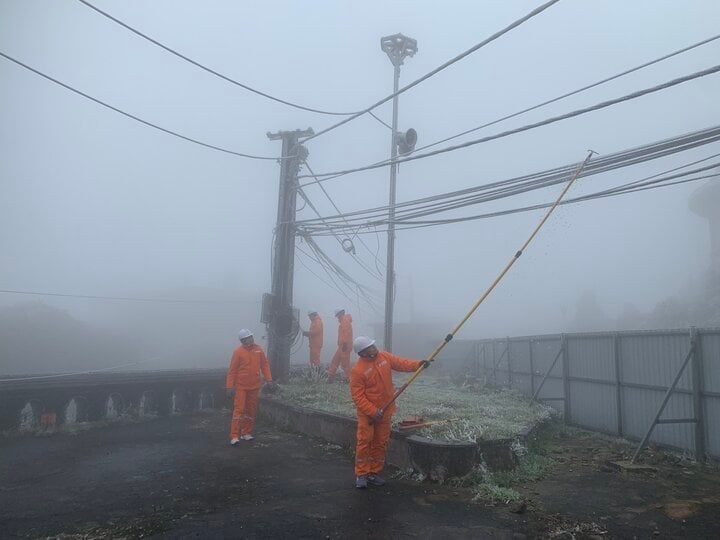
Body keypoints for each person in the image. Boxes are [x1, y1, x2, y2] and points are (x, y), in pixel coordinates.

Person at [349, 336, 430, 489]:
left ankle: (374, 473)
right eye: (370, 348)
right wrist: (373, 411)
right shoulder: (357, 371)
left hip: (386, 410)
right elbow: (358, 397)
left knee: (380, 442)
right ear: (363, 353)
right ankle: (362, 474)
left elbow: (401, 363)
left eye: (373, 345)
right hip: (368, 415)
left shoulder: (384, 357)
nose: (374, 348)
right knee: (364, 442)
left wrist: (418, 364)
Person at [225, 329, 276, 445]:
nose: (251, 339)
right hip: (241, 387)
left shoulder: (258, 349)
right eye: (248, 338)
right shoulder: (238, 352)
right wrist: (229, 387)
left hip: (254, 386)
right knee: (239, 410)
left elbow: (264, 364)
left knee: (251, 410)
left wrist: (269, 380)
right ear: (242, 340)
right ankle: (234, 436)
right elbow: (232, 371)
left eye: (251, 337)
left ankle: (246, 433)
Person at [327, 309, 353, 383]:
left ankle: (348, 379)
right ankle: (330, 377)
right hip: (342, 345)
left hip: (345, 345)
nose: (337, 317)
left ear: (340, 314)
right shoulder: (344, 321)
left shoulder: (345, 321)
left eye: (337, 315)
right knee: (335, 360)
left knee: (345, 364)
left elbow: (346, 333)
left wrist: (344, 343)